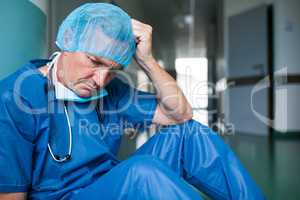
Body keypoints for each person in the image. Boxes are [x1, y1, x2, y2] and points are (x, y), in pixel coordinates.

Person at [0, 3, 265, 200]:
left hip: (109, 185)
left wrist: (148, 61)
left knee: (189, 133)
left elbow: (180, 115)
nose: (101, 79)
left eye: (113, 69)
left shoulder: (113, 90)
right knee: (142, 172)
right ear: (68, 41)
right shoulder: (17, 97)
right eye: (95, 61)